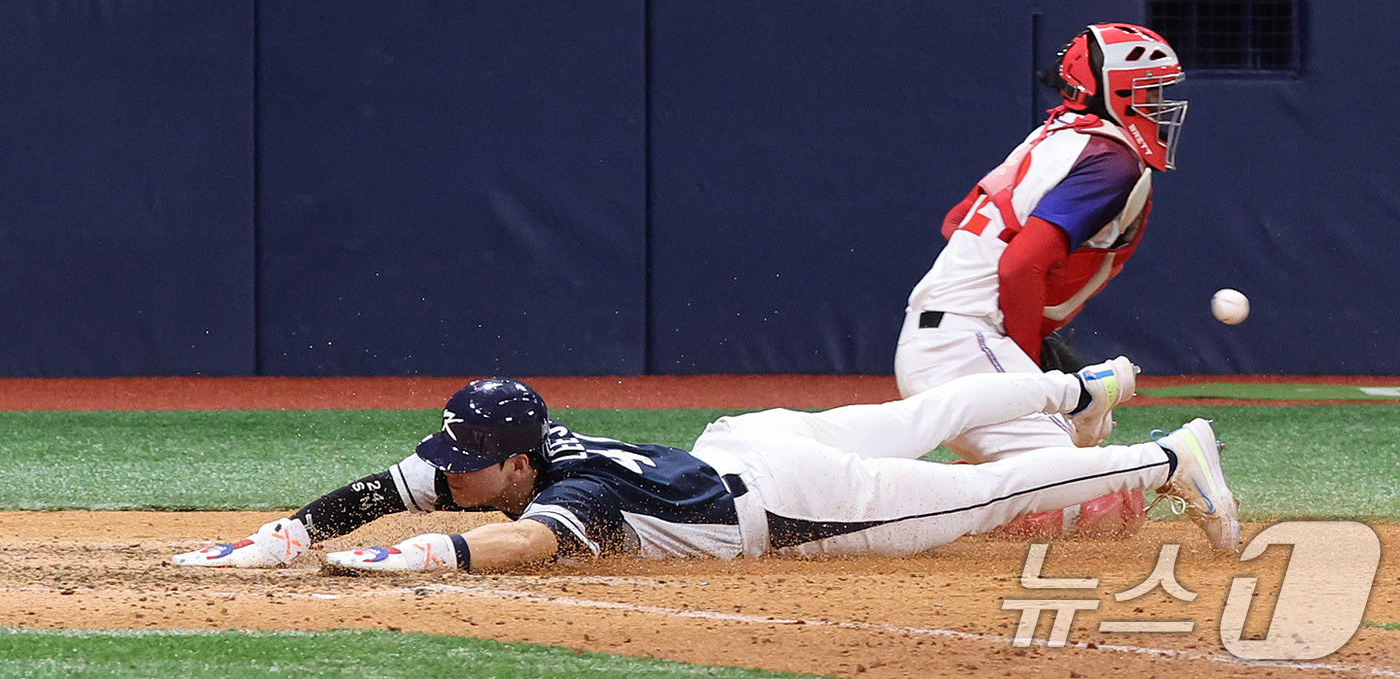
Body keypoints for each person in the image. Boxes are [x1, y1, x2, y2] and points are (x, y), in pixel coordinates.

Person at [173, 367, 1240, 573]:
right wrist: (287, 536)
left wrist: (428, 557)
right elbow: (382, 485)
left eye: (460, 465)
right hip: (746, 439)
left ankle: (1165, 453)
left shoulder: (564, 488)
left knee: (975, 492)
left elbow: (522, 542)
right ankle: (1075, 388)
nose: (438, 472)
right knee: (921, 412)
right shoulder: (505, 456)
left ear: (508, 462)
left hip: (797, 498)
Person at [893, 22, 1189, 538]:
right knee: (1100, 499)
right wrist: (1029, 362)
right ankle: (890, 500)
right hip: (966, 344)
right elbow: (1019, 265)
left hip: (953, 336)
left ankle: (955, 492)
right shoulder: (1112, 159)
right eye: (1150, 89)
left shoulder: (1055, 136)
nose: (1160, 103)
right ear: (1115, 90)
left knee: (1089, 452)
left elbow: (956, 222)